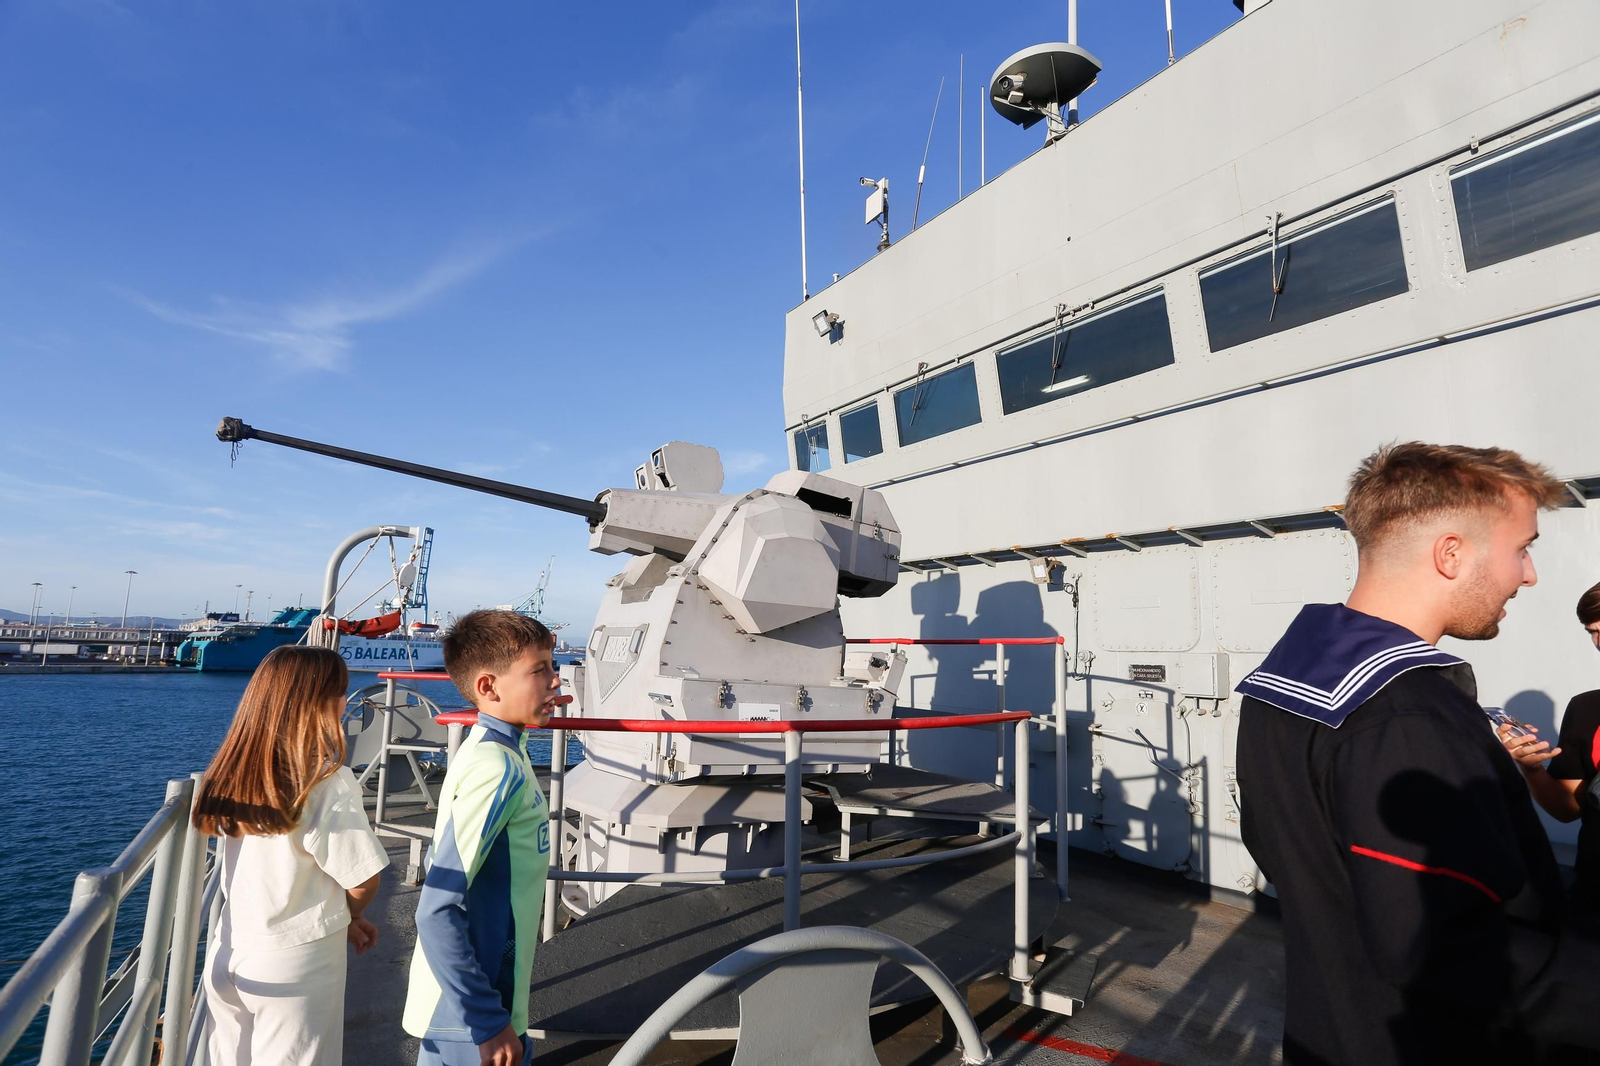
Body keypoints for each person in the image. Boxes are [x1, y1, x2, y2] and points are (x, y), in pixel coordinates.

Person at [1236, 442, 1600, 1065]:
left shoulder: (1283, 682)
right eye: (1522, 548)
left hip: (1334, 1027)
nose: (1529, 575)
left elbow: (1279, 849)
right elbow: (1441, 947)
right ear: (1450, 553)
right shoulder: (1408, 714)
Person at [194, 645, 389, 1066]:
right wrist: (352, 916)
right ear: (319, 706)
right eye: (341, 693)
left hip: (229, 950)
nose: (346, 703)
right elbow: (362, 878)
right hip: (297, 961)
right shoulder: (327, 783)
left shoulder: (230, 776)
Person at [402, 610, 559, 1066]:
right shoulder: (496, 769)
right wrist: (488, 1022)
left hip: (473, 1010)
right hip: (470, 1017)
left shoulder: (499, 752)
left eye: (553, 666)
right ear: (489, 687)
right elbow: (436, 909)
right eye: (539, 670)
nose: (556, 680)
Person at [1501, 580, 1600, 915]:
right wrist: (1531, 769)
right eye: (1593, 631)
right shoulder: (1586, 709)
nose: (1599, 642)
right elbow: (1568, 809)